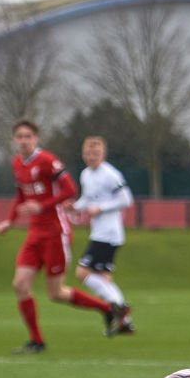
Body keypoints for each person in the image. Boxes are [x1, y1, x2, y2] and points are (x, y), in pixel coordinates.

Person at [0, 119, 119, 353]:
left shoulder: (47, 161)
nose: (23, 140)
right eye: (19, 136)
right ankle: (37, 341)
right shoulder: (17, 164)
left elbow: (70, 190)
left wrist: (42, 207)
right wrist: (10, 222)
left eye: (28, 136)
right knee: (20, 285)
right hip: (35, 234)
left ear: (36, 138)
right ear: (14, 140)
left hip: (56, 233)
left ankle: (107, 308)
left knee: (55, 293)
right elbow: (21, 196)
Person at [70, 136, 135, 335]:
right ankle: (125, 321)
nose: (92, 157)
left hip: (108, 233)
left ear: (103, 154)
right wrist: (74, 206)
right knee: (103, 278)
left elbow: (126, 199)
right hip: (100, 232)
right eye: (89, 153)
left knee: (82, 273)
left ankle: (120, 305)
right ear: (83, 155)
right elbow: (88, 200)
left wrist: (101, 209)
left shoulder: (110, 174)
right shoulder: (86, 175)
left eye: (96, 153)